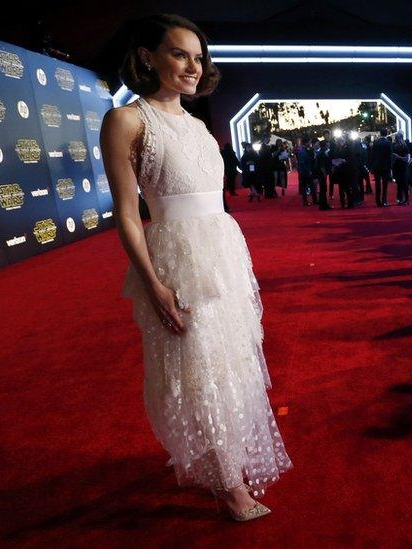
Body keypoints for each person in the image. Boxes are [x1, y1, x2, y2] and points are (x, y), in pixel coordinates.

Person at [99, 13, 291, 522]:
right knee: (200, 372)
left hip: (223, 255)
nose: (192, 66)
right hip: (177, 261)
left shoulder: (200, 125)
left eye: (198, 57)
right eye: (180, 54)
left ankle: (222, 468)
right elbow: (126, 213)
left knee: (232, 364)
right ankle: (228, 486)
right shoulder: (127, 120)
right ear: (147, 57)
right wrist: (153, 284)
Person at [370, 129, 392, 207]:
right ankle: (384, 201)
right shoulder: (388, 143)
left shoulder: (375, 143)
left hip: (376, 166)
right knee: (385, 185)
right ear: (386, 134)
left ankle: (378, 202)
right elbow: (390, 156)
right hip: (385, 166)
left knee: (377, 184)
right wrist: (390, 167)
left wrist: (371, 166)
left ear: (380, 133)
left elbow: (372, 155)